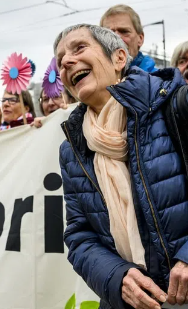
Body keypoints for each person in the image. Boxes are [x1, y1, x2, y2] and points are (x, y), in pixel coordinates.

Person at [54, 23, 188, 309]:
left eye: (79, 48)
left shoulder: (174, 106)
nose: (65, 61)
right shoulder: (72, 149)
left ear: (119, 59)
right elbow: (79, 236)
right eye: (60, 60)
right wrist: (118, 277)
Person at [100, 4, 157, 73]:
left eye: (124, 31)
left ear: (140, 39)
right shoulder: (90, 81)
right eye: (109, 33)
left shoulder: (159, 81)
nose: (116, 38)